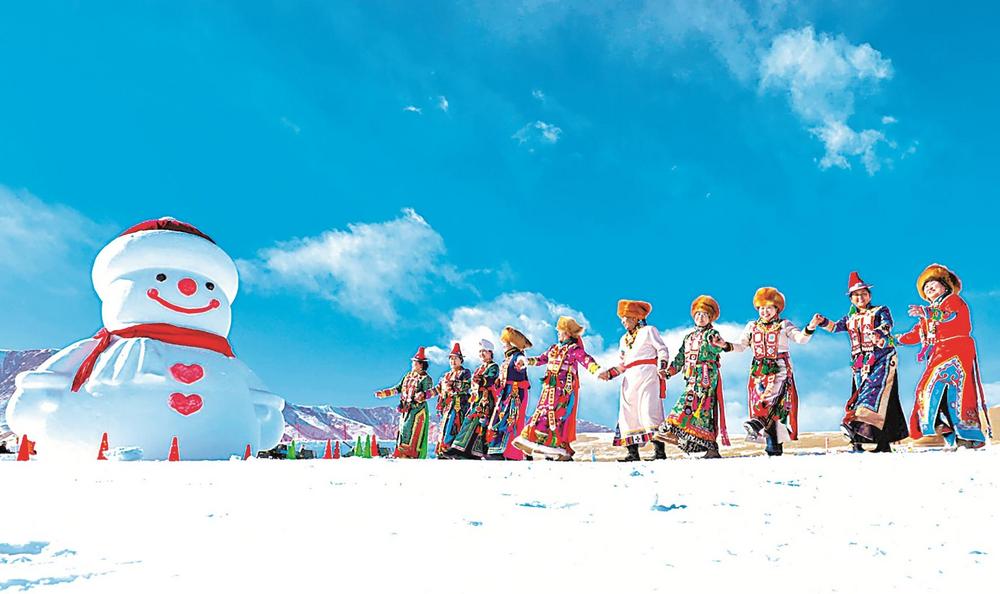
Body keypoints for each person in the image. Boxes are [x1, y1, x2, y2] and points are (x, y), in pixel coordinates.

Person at [712, 287, 821, 456]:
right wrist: (724, 344)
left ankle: (757, 424)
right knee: (765, 403)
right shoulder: (752, 326)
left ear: (777, 308)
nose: (765, 311)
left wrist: (811, 326)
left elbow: (801, 339)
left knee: (770, 401)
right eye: (762, 308)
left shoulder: (784, 325)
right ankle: (772, 445)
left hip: (779, 368)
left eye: (769, 307)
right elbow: (741, 346)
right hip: (758, 371)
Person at [895, 264, 992, 449]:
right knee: (936, 392)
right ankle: (949, 433)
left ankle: (960, 434)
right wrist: (890, 340)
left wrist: (927, 312)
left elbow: (948, 316)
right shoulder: (928, 313)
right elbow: (914, 335)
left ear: (945, 286)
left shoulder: (953, 301)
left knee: (944, 390)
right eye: (926, 286)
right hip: (939, 352)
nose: (929, 287)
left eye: (933, 283)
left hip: (956, 349)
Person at [815, 272, 907, 453]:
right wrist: (822, 321)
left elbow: (887, 324)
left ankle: (860, 430)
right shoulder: (849, 319)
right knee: (863, 397)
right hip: (860, 363)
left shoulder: (880, 310)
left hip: (881, 358)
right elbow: (835, 327)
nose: (860, 298)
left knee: (874, 395)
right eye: (856, 295)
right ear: (851, 299)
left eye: (863, 294)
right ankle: (869, 440)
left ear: (869, 296)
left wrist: (878, 332)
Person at [512, 316, 604, 461]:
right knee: (541, 412)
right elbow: (541, 359)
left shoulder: (574, 349)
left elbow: (586, 359)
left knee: (555, 416)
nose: (558, 333)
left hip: (563, 390)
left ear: (567, 333)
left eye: (560, 331)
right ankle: (535, 442)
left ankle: (554, 448)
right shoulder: (553, 349)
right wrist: (526, 361)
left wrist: (597, 370)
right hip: (548, 388)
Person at [655, 295, 730, 459]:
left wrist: (718, 344)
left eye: (704, 314)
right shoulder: (688, 338)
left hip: (706, 376)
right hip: (691, 378)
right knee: (703, 412)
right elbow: (680, 358)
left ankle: (672, 431)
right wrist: (668, 372)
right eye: (698, 314)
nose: (700, 317)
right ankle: (711, 448)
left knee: (691, 403)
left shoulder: (711, 334)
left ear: (710, 317)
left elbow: (716, 347)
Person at [598, 299, 669, 462]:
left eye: (625, 317)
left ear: (635, 317)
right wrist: (609, 374)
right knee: (628, 414)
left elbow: (662, 349)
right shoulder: (623, 339)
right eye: (622, 318)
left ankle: (660, 452)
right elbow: (623, 364)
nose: (623, 321)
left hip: (648, 374)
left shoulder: (649, 330)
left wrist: (662, 366)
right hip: (629, 378)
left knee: (649, 409)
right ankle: (632, 453)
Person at [374, 347, 435, 459]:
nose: (413, 364)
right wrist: (384, 393)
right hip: (405, 408)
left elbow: (428, 393)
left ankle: (410, 453)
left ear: (421, 365)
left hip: (417, 409)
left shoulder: (426, 378)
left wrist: (421, 396)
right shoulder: (408, 376)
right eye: (413, 362)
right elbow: (398, 388)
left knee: (410, 429)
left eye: (415, 362)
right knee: (402, 429)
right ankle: (401, 452)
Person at [485, 327, 533, 460]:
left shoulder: (518, 356)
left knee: (510, 420)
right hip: (506, 393)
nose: (503, 346)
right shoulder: (507, 359)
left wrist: (522, 362)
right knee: (502, 419)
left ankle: (508, 452)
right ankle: (500, 450)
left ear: (512, 344)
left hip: (515, 393)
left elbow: (522, 362)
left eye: (505, 343)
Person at [448, 339, 500, 459]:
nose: (482, 354)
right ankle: (465, 450)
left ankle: (467, 450)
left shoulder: (493, 367)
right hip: (477, 399)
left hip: (486, 399)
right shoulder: (479, 368)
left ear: (490, 353)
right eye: (480, 351)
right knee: (471, 421)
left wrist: (481, 380)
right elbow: (471, 384)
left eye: (484, 351)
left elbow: (491, 379)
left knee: (480, 424)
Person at [434, 343, 472, 459]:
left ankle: (455, 450)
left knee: (455, 426)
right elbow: (438, 389)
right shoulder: (446, 375)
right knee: (445, 426)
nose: (453, 361)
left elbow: (467, 385)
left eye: (455, 358)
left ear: (461, 360)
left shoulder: (465, 372)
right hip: (447, 406)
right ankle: (443, 450)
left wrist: (452, 385)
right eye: (451, 359)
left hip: (460, 404)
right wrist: (423, 395)